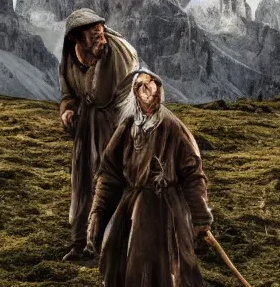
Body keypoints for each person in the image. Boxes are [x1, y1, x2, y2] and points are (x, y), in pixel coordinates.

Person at [85, 68, 213, 286]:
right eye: (142, 86)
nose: (149, 91)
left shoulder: (173, 128)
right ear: (135, 91)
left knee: (163, 269)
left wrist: (200, 217)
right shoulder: (126, 128)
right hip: (130, 209)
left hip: (165, 211)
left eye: (153, 85)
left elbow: (192, 174)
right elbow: (109, 175)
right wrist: (98, 213)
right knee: (119, 261)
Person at [57, 8, 139, 261]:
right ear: (76, 39)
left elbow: (105, 96)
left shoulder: (115, 55)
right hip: (85, 131)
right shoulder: (70, 60)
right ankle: (80, 242)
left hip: (114, 128)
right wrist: (68, 111)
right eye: (94, 37)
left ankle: (108, 242)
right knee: (82, 185)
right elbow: (68, 93)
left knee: (110, 183)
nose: (101, 41)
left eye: (102, 34)